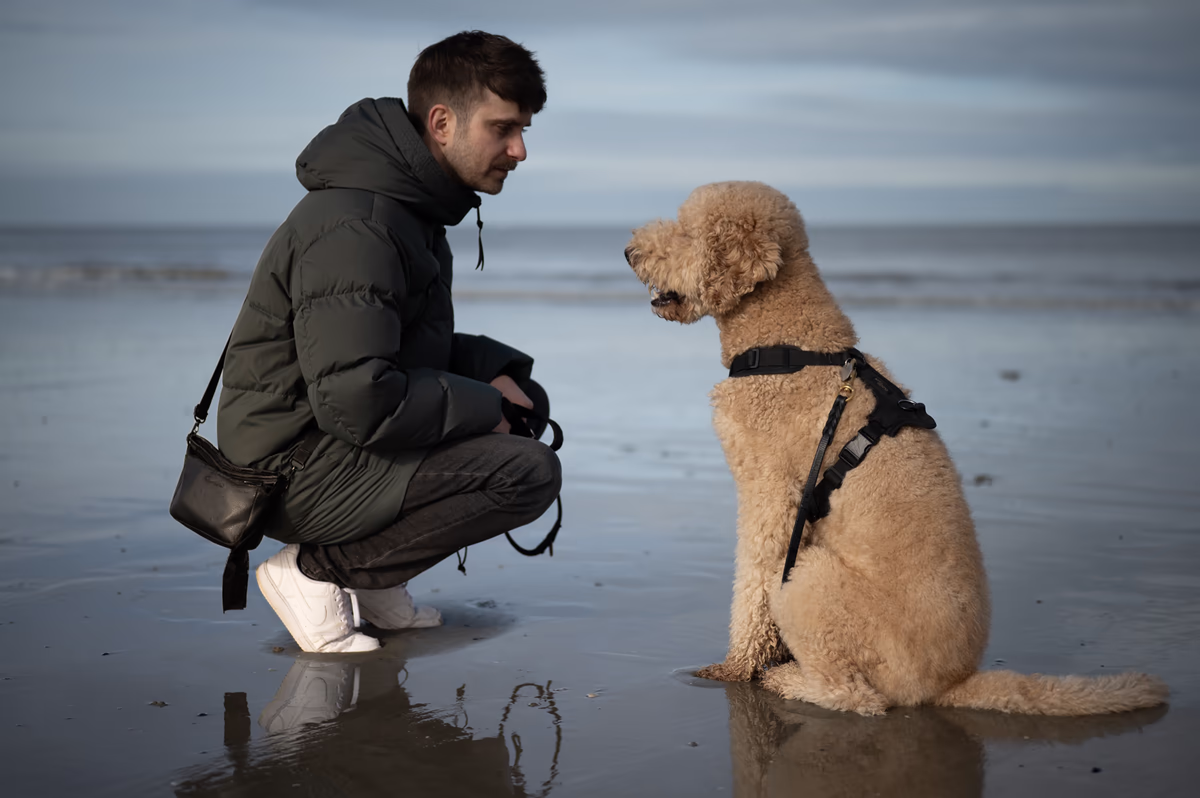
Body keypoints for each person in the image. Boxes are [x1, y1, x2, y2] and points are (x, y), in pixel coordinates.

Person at [215, 31, 559, 653]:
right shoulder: (362, 225)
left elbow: (398, 347)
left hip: (326, 444)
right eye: (504, 128)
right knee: (525, 473)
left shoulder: (408, 209)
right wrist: (489, 407)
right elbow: (359, 399)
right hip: (289, 467)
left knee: (523, 403)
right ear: (442, 122)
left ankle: (375, 577)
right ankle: (316, 571)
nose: (520, 150)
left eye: (525, 130)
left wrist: (501, 376)